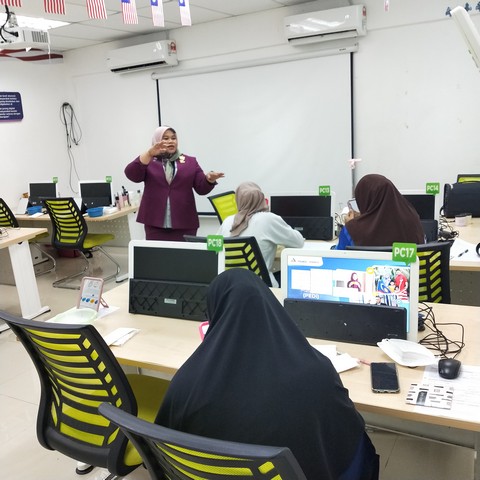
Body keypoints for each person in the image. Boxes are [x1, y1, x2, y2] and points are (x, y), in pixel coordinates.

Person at [156, 268, 379, 480]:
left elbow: (164, 443)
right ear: (271, 307)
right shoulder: (318, 371)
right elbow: (348, 435)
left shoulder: (186, 382)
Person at [125, 126, 224, 241]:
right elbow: (132, 174)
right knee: (157, 252)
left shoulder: (190, 162)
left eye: (173, 138)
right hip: (155, 223)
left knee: (183, 252)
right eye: (165, 138)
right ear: (157, 141)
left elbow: (201, 188)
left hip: (184, 223)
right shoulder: (149, 161)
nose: (171, 141)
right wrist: (149, 153)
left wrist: (209, 179)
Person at [216, 181, 304, 287]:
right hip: (261, 288)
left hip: (229, 287)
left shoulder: (227, 221)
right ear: (261, 198)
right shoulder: (268, 219)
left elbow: (215, 251)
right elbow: (298, 242)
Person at [337, 174, 425, 250]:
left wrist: (350, 225)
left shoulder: (353, 229)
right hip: (406, 265)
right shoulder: (413, 220)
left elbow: (338, 256)